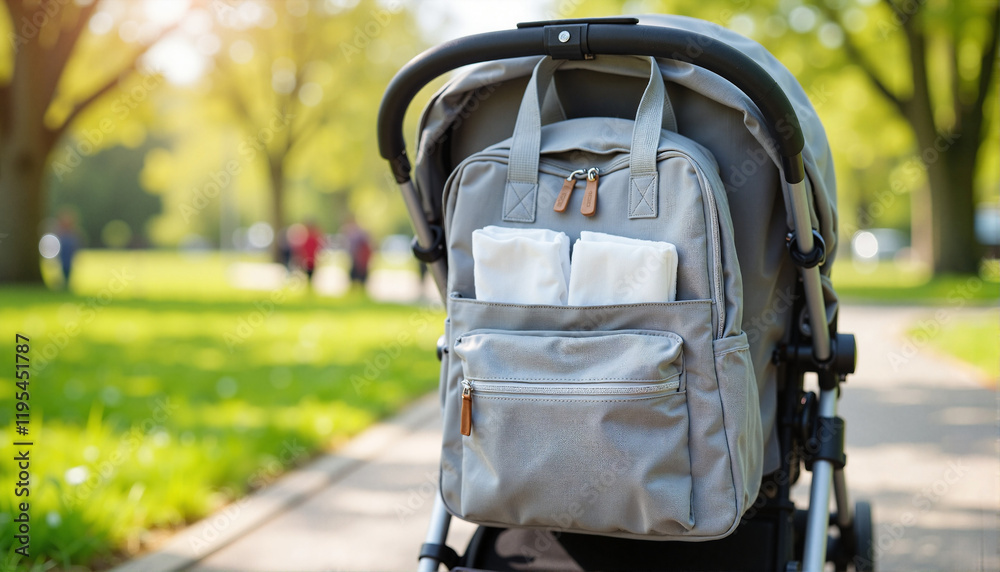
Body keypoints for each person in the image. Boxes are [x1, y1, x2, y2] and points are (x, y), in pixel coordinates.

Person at [342, 217, 372, 288]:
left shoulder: (359, 234)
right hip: (354, 256)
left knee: (360, 273)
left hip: (359, 256)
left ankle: (360, 286)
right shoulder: (350, 233)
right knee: (355, 273)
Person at [55, 209, 81, 288]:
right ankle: (63, 283)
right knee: (63, 269)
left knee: (68, 269)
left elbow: (76, 244)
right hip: (63, 254)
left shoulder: (73, 233)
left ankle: (67, 283)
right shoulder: (60, 232)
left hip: (69, 254)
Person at [295, 220, 325, 285]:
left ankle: (309, 283)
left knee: (310, 272)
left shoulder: (309, 236)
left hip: (310, 257)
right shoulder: (309, 236)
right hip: (309, 257)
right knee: (309, 272)